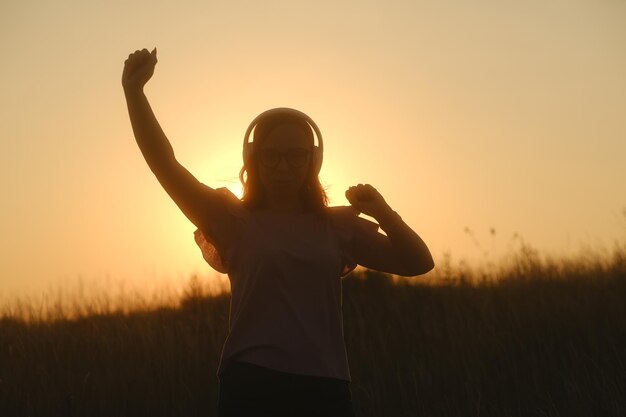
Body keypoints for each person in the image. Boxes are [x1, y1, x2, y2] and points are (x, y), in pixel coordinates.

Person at [122, 47, 434, 417]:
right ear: (253, 160)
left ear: (312, 161)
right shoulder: (229, 219)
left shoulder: (338, 226)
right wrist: (135, 94)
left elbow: (418, 262)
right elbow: (165, 165)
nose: (283, 166)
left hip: (325, 386)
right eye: (271, 155)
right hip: (252, 384)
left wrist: (384, 212)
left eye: (295, 155)